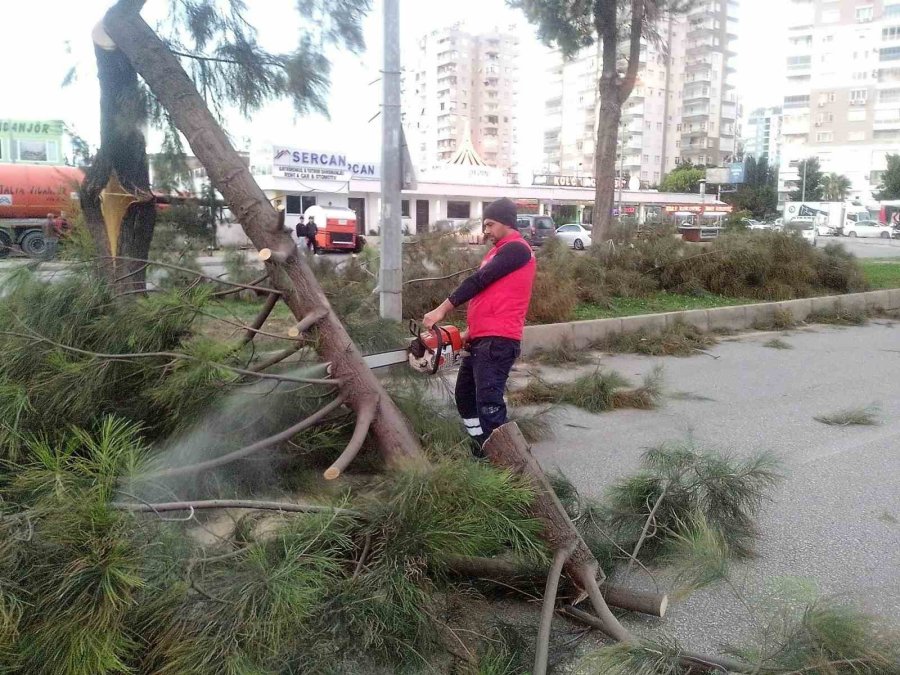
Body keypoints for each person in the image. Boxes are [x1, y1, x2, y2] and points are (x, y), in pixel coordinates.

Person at [423, 197, 536, 453]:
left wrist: (441, 310)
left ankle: (507, 461)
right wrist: (466, 333)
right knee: (465, 397)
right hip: (481, 339)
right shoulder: (498, 252)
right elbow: (491, 298)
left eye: (490, 225)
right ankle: (480, 447)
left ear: (506, 223)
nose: (486, 231)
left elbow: (479, 281)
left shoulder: (517, 249)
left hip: (498, 341)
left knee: (489, 404)